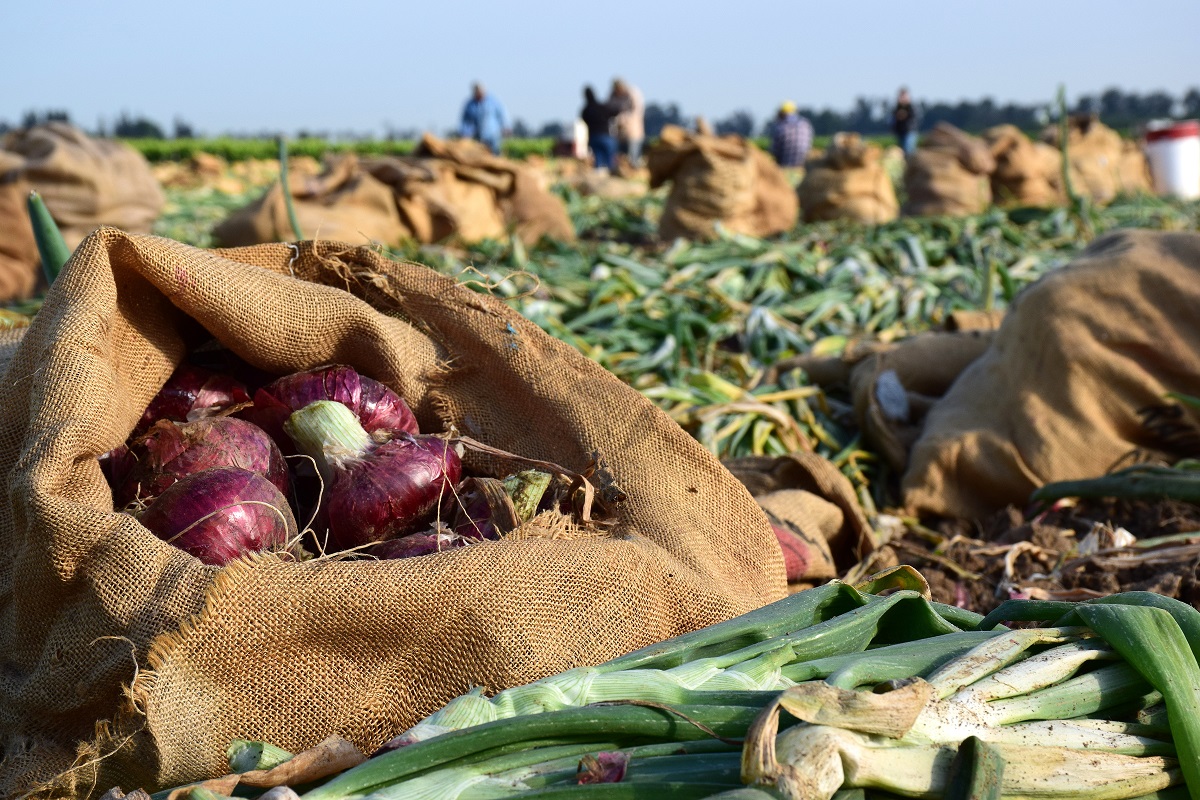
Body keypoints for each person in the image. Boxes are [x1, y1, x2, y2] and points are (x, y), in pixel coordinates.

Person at [459, 82, 510, 155]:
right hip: (478, 136)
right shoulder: (470, 105)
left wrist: (506, 126)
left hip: (493, 135)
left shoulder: (493, 101)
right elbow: (466, 120)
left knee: (495, 153)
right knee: (480, 154)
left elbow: (502, 114)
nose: (479, 94)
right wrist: (465, 133)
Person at [581, 86, 618, 172]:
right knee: (610, 160)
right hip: (605, 136)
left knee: (598, 160)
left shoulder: (586, 110)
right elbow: (614, 113)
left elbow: (584, 119)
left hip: (593, 136)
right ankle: (611, 177)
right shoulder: (602, 107)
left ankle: (598, 178)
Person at [610, 78, 645, 166]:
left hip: (633, 131)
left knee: (633, 156)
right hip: (619, 133)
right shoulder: (613, 95)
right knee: (620, 157)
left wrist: (624, 118)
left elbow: (637, 111)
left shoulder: (633, 93)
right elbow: (610, 109)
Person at [769, 101, 813, 167]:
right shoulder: (806, 124)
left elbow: (774, 151)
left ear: (782, 113)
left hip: (785, 165)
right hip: (803, 165)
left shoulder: (781, 127)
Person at [892, 87, 919, 156]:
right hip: (900, 131)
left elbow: (913, 117)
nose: (902, 98)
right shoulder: (897, 107)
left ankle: (911, 164)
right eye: (901, 96)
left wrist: (903, 115)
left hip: (909, 131)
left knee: (909, 150)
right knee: (902, 151)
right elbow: (894, 117)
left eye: (903, 96)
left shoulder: (911, 106)